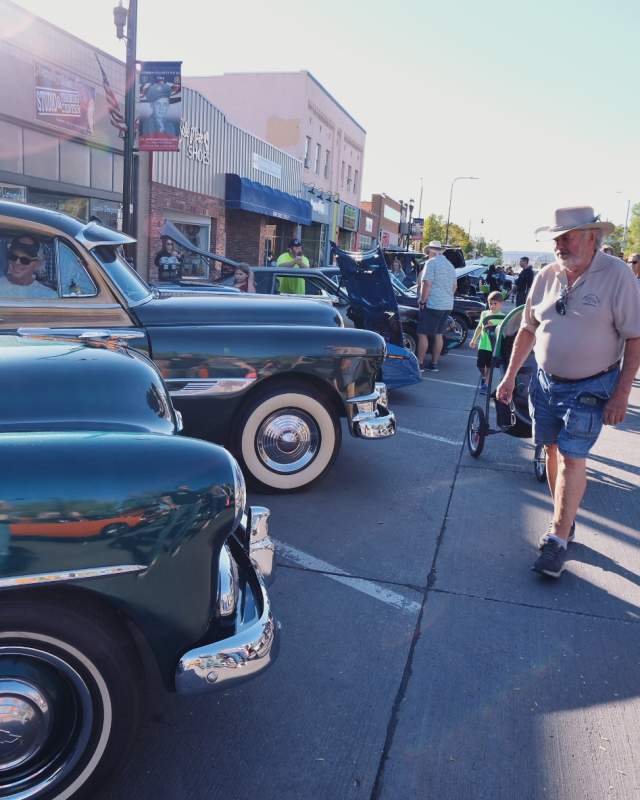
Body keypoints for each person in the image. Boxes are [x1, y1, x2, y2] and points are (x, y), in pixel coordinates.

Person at [496, 206, 640, 579]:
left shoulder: (618, 275)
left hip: (592, 385)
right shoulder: (546, 275)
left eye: (568, 237)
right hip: (545, 382)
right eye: (557, 238)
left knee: (573, 457)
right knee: (551, 449)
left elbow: (635, 337)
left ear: (593, 238)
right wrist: (510, 375)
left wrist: (622, 394)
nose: (559, 245)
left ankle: (557, 538)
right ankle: (566, 520)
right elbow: (527, 328)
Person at [417, 240, 457, 372]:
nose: (427, 255)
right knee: (438, 334)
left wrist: (423, 301)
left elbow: (426, 283)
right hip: (447, 305)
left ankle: (420, 364)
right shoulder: (450, 265)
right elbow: (454, 287)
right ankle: (434, 364)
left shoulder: (431, 263)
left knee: (422, 333)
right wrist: (446, 297)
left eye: (428, 252)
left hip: (433, 304)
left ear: (430, 251)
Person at [469, 291, 505, 393]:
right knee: (480, 365)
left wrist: (493, 327)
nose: (492, 306)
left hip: (493, 346)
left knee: (490, 366)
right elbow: (479, 327)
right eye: (490, 303)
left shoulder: (502, 317)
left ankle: (486, 383)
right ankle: (484, 377)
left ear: (500, 304)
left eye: (495, 303)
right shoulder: (484, 314)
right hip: (483, 345)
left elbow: (503, 332)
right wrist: (474, 340)